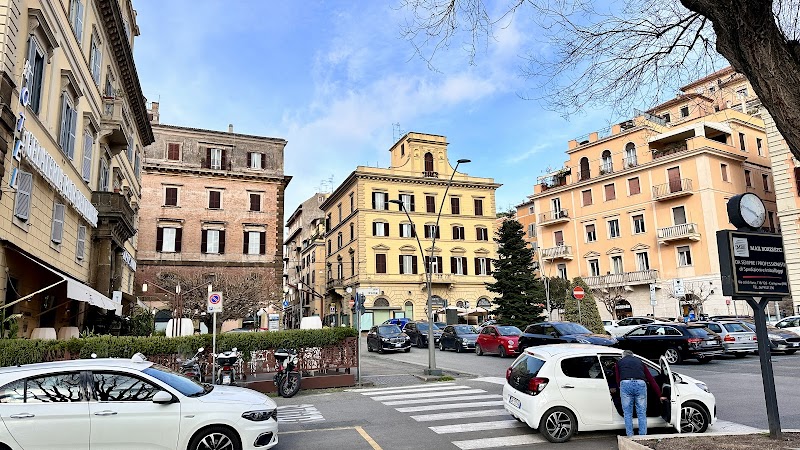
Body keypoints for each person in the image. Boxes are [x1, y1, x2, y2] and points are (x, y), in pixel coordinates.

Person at [611, 350, 667, 436]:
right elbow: (651, 379)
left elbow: (618, 379)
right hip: (640, 384)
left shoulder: (619, 363)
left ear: (623, 356)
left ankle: (630, 435)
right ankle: (642, 436)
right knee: (641, 412)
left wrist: (620, 388)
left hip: (625, 384)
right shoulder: (640, 362)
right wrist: (659, 395)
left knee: (627, 413)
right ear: (632, 356)